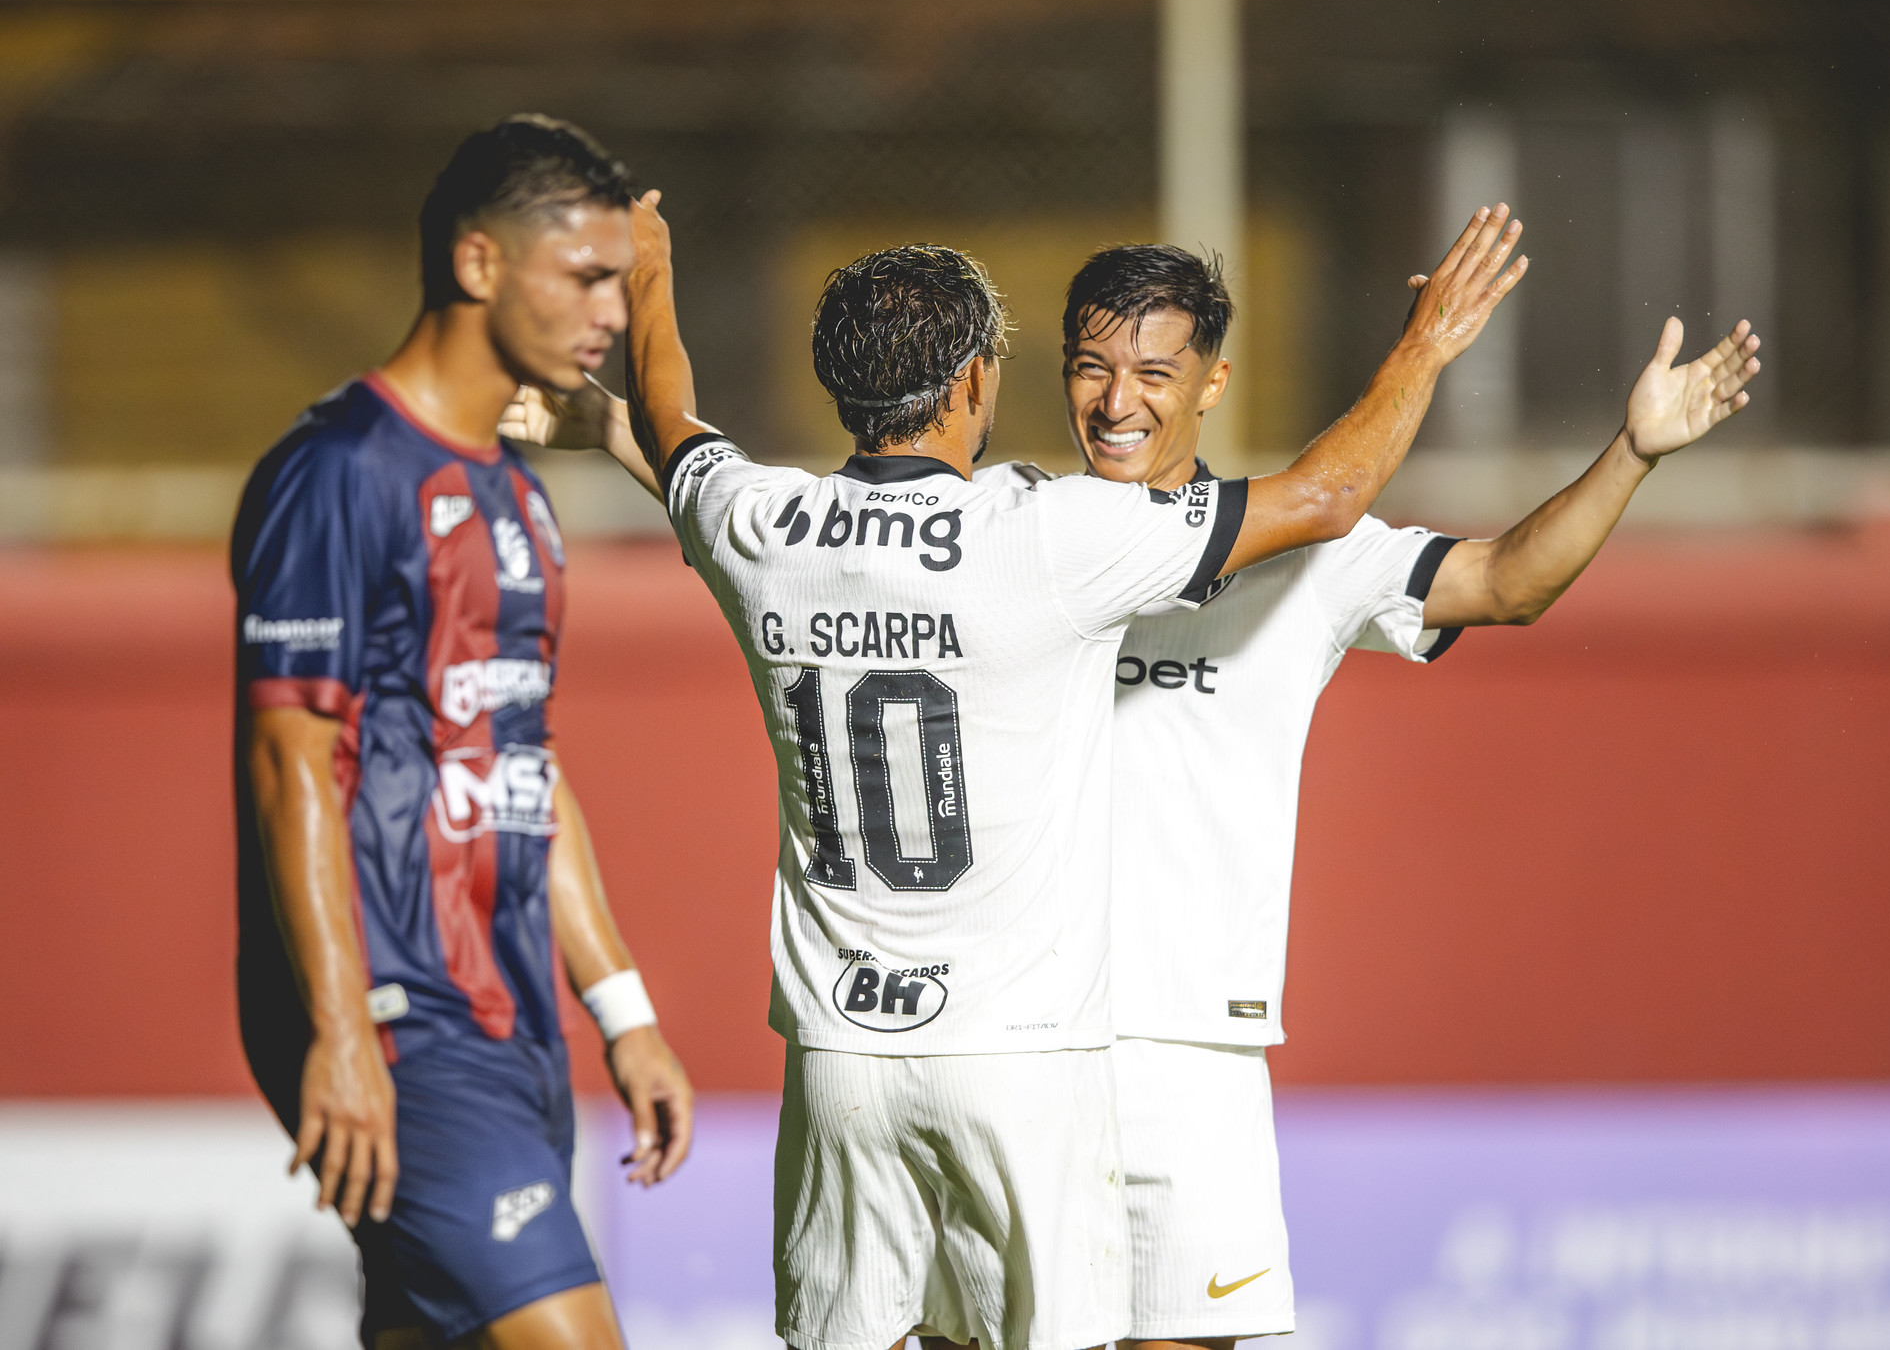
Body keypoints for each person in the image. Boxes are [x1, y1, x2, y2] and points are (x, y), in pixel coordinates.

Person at [512, 195, 1523, 1350]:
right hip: (1017, 1057)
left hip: (841, 1055)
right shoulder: (1043, 537)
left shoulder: (764, 521)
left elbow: (673, 419)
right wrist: (1426, 342)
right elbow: (1326, 499)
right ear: (975, 386)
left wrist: (645, 279)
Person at [973, 244, 1760, 1350]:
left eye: (1154, 374)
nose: (1116, 402)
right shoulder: (1016, 528)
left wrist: (1631, 451)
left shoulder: (1304, 552)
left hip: (1194, 1054)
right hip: (1012, 1042)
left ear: (1212, 384)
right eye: (1091, 368)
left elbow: (1505, 582)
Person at [231, 115, 694, 1350]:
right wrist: (341, 1030)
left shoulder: (517, 492)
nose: (609, 310)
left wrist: (625, 1011)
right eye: (587, 278)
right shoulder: (340, 471)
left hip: (511, 1021)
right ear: (482, 265)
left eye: (618, 279)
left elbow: (523, 771)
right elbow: (292, 770)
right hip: (401, 1022)